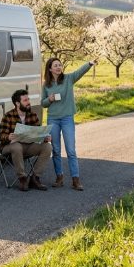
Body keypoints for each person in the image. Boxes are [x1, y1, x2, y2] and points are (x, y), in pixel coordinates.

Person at [41, 58, 95, 191]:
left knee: (71, 150)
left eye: (60, 65)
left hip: (67, 118)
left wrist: (89, 64)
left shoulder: (68, 79)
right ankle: (59, 178)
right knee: (56, 150)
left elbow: (79, 72)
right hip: (53, 119)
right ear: (50, 69)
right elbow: (43, 103)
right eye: (55, 65)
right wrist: (49, 99)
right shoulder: (46, 85)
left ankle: (75, 180)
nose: (59, 67)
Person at [0, 89, 53, 191]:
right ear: (17, 103)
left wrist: (44, 137)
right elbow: (1, 136)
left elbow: (38, 133)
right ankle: (23, 179)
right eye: (25, 100)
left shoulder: (32, 115)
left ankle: (35, 178)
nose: (28, 102)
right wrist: (8, 137)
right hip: (9, 146)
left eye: (28, 99)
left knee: (47, 147)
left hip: (28, 145)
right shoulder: (8, 116)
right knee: (16, 146)